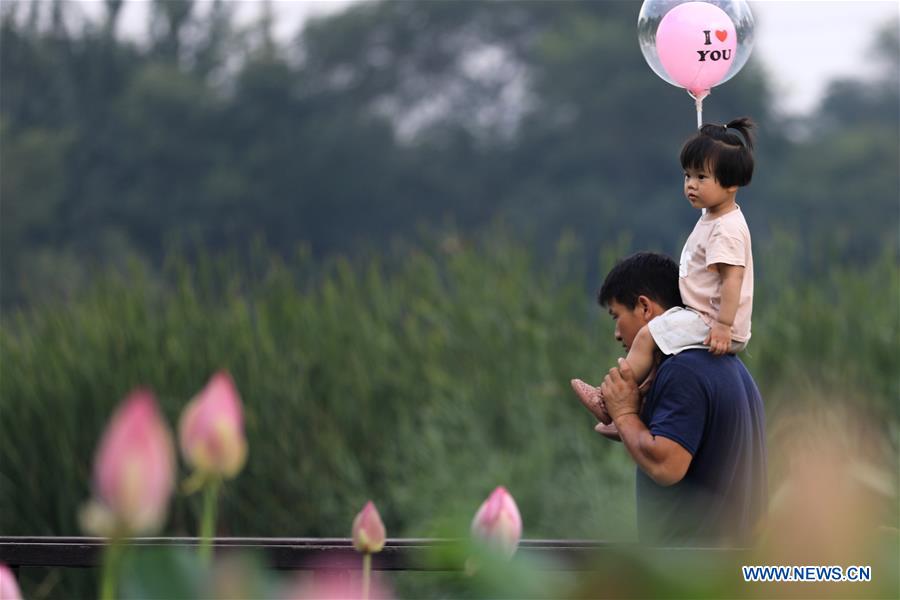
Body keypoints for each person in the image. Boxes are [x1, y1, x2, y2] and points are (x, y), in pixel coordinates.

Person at [575, 252, 767, 546]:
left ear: (644, 307)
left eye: (617, 317)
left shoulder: (683, 369)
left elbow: (667, 465)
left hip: (692, 575)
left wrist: (625, 414)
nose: (616, 333)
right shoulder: (732, 367)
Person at [579, 118, 757, 396]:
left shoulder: (727, 229)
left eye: (701, 177)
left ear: (731, 183)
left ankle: (611, 396)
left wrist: (723, 326)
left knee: (648, 335)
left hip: (712, 322)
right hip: (704, 318)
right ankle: (636, 404)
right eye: (687, 176)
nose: (691, 185)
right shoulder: (714, 218)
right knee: (662, 346)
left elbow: (732, 279)